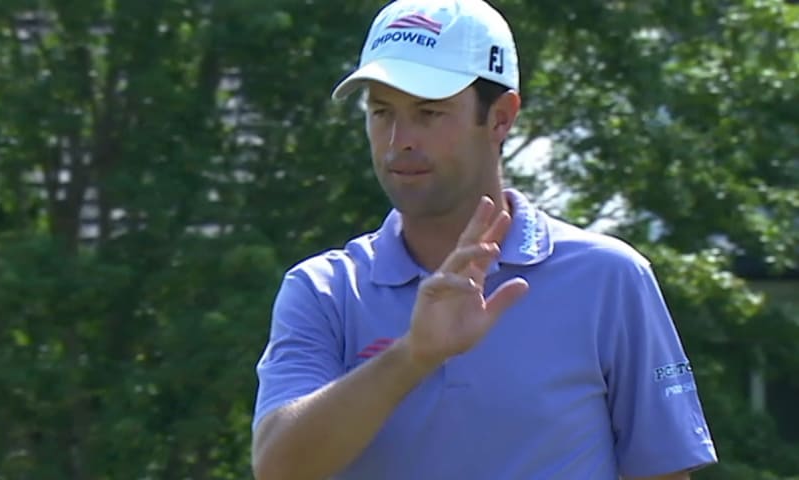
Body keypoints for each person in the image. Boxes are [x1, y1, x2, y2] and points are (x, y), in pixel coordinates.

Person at [250, 0, 719, 478]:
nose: (398, 141)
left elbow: (663, 472)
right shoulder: (324, 290)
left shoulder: (609, 277)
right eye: (381, 111)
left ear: (500, 117)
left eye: (429, 113)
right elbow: (278, 468)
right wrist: (414, 355)